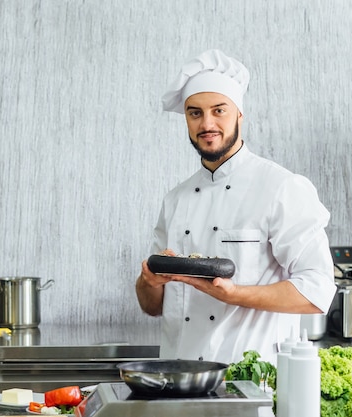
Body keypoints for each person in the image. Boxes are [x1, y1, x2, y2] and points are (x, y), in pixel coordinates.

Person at [135, 49, 336, 365]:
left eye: (219, 110)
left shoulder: (281, 187)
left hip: (247, 383)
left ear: (239, 114)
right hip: (177, 380)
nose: (207, 123)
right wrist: (149, 282)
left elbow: (317, 290)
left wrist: (234, 294)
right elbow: (152, 306)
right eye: (195, 113)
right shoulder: (176, 199)